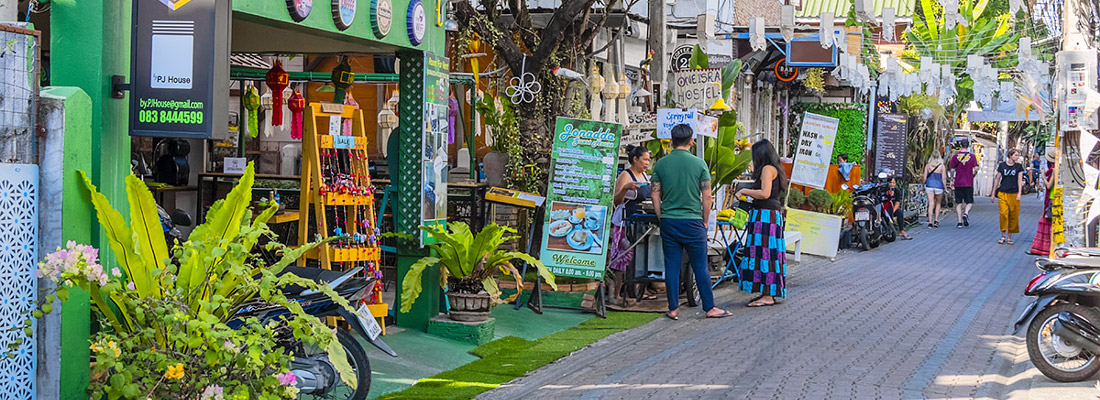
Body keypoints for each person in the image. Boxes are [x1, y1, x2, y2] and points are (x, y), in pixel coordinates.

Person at [651, 124, 731, 320]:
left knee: (671, 265)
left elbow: (654, 194)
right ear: (691, 142)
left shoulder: (661, 164)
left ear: (671, 141)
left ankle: (673, 308)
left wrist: (662, 217)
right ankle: (710, 307)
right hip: (693, 222)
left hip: (670, 221)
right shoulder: (699, 164)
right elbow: (707, 197)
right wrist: (705, 221)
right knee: (700, 265)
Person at [734, 139, 789, 307]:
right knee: (768, 253)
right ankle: (767, 292)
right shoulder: (776, 169)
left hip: (766, 215)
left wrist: (743, 190)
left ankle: (767, 295)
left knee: (765, 253)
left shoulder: (767, 169)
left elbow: (764, 193)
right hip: (770, 214)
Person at [608, 145, 651, 304]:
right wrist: (625, 188)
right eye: (645, 159)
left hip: (642, 220)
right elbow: (617, 200)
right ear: (635, 159)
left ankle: (640, 290)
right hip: (625, 220)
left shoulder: (645, 176)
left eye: (648, 160)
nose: (647, 163)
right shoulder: (626, 175)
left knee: (640, 256)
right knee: (622, 257)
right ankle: (616, 295)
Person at [992, 148, 1025, 245]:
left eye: (1018, 155)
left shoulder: (1018, 167)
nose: (1017, 157)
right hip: (1003, 192)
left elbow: (1020, 180)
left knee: (1013, 215)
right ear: (1010, 155)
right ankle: (1003, 235)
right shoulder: (1002, 166)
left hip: (1014, 193)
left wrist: (1019, 193)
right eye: (1015, 155)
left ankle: (1009, 237)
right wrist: (993, 193)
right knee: (1003, 213)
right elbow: (997, 179)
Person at [1029, 148, 1058, 255]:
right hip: (1053, 197)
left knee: (1046, 221)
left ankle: (1044, 248)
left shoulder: (1055, 170)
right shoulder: (1054, 170)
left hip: (1052, 198)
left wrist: (1042, 176)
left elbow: (1049, 185)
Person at [948, 141, 979, 228]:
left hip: (958, 182)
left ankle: (959, 222)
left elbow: (952, 169)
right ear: (968, 146)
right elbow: (976, 168)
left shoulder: (955, 157)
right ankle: (965, 213)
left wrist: (951, 180)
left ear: (960, 146)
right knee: (969, 201)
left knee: (958, 202)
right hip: (968, 182)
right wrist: (973, 175)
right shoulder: (972, 156)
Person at [923, 151, 947, 228]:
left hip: (929, 185)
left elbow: (924, 177)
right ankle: (936, 220)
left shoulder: (928, 166)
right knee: (938, 204)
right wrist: (945, 188)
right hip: (939, 186)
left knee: (931, 204)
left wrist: (923, 185)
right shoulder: (942, 166)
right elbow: (944, 178)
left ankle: (930, 222)